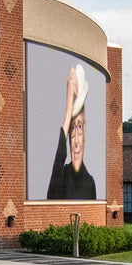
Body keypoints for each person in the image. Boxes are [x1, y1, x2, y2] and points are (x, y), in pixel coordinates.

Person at [47, 64, 96, 200]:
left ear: (85, 130)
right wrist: (68, 109)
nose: (75, 140)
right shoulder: (62, 176)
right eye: (72, 129)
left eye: (79, 127)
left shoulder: (90, 183)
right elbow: (59, 159)